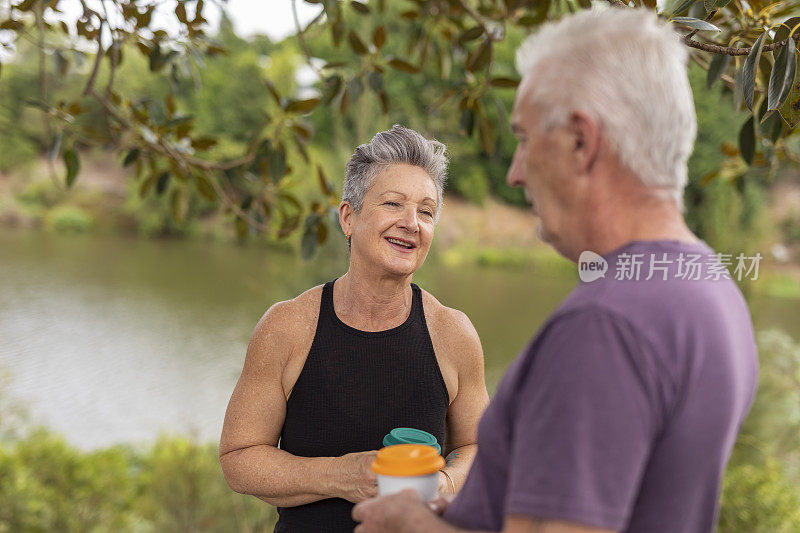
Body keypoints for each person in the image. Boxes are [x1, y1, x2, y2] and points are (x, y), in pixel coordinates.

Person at [352, 8, 758, 533]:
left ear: (581, 142)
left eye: (523, 138)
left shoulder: (603, 328)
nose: (516, 173)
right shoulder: (710, 290)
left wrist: (409, 523)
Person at [219, 125, 490, 532]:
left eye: (427, 211)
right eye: (393, 204)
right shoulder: (287, 326)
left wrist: (447, 482)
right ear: (349, 217)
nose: (411, 223)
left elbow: (481, 449)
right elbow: (239, 458)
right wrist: (340, 476)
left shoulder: (454, 334)